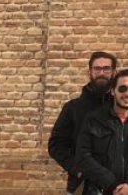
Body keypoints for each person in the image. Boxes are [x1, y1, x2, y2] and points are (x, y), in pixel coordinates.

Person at [75, 69, 128, 195]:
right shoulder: (94, 119)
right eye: (123, 88)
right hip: (99, 190)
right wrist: (111, 184)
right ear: (113, 91)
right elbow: (83, 156)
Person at [49, 51, 117, 194]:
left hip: (117, 185)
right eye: (97, 69)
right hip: (81, 185)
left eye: (106, 69)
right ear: (90, 72)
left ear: (114, 72)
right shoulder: (73, 108)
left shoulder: (123, 107)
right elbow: (56, 144)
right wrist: (76, 168)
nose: (101, 73)